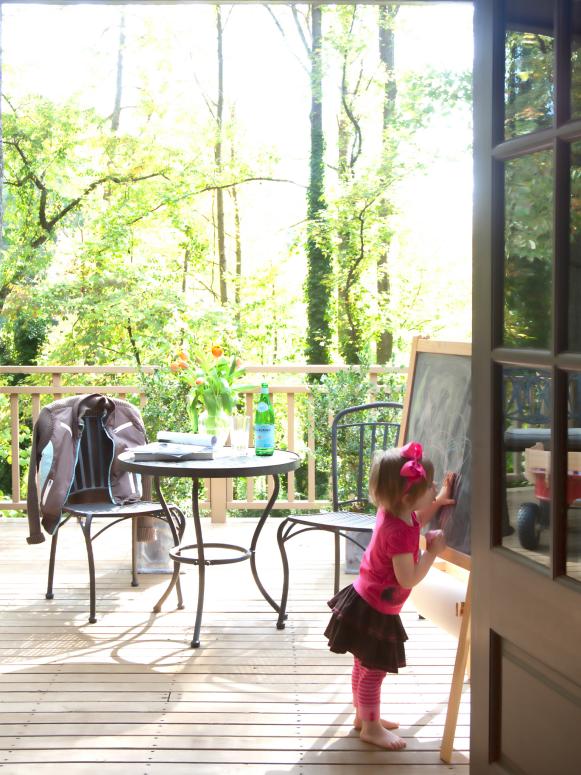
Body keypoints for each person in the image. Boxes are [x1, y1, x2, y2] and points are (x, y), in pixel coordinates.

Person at [324, 441, 454, 750]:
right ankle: (371, 727)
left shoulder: (395, 512)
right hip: (376, 609)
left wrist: (439, 501)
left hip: (365, 598)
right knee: (374, 670)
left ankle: (363, 716)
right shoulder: (398, 533)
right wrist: (431, 554)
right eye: (429, 486)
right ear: (409, 496)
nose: (434, 488)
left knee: (362, 663)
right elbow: (408, 577)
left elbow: (418, 518)